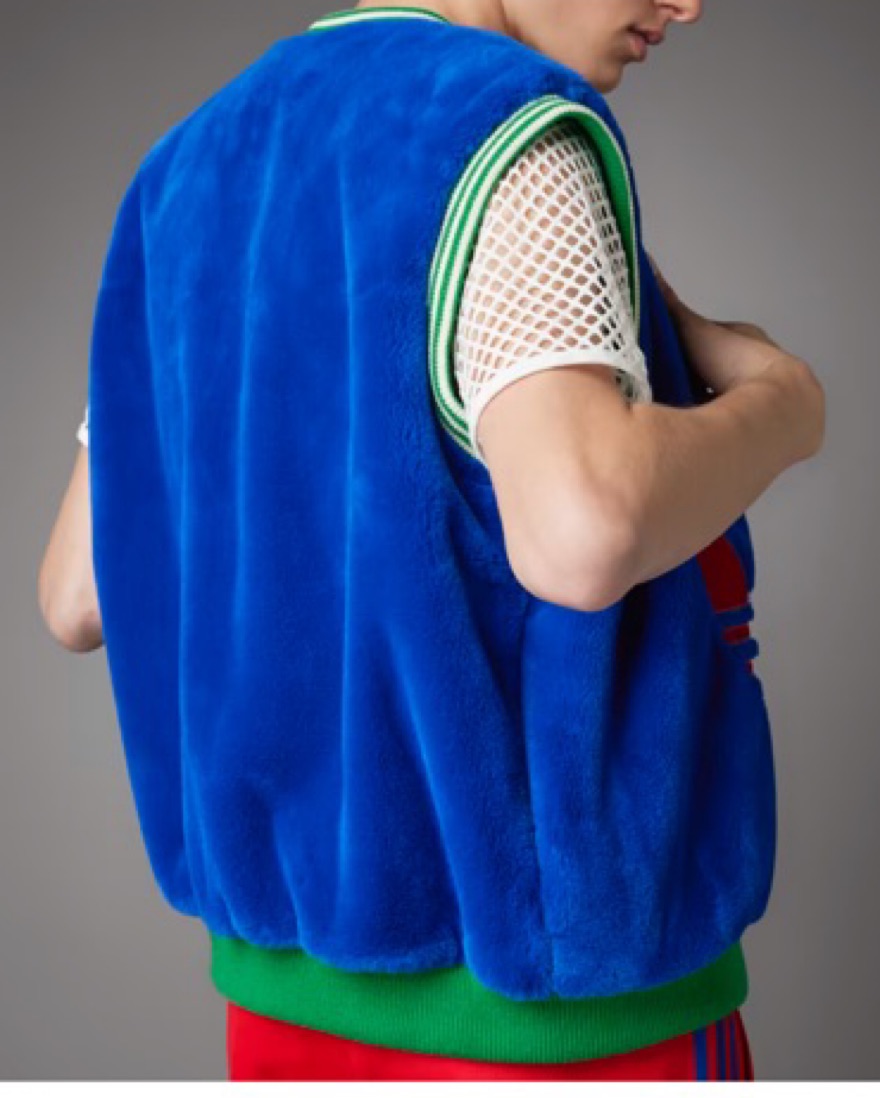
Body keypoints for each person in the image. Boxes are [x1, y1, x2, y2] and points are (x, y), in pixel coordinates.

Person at [38, 0, 825, 1082]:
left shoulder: (179, 176)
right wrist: (786, 406)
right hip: (547, 1029)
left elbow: (76, 592)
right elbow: (585, 529)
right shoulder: (509, 129)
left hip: (282, 1022)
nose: (688, 2)